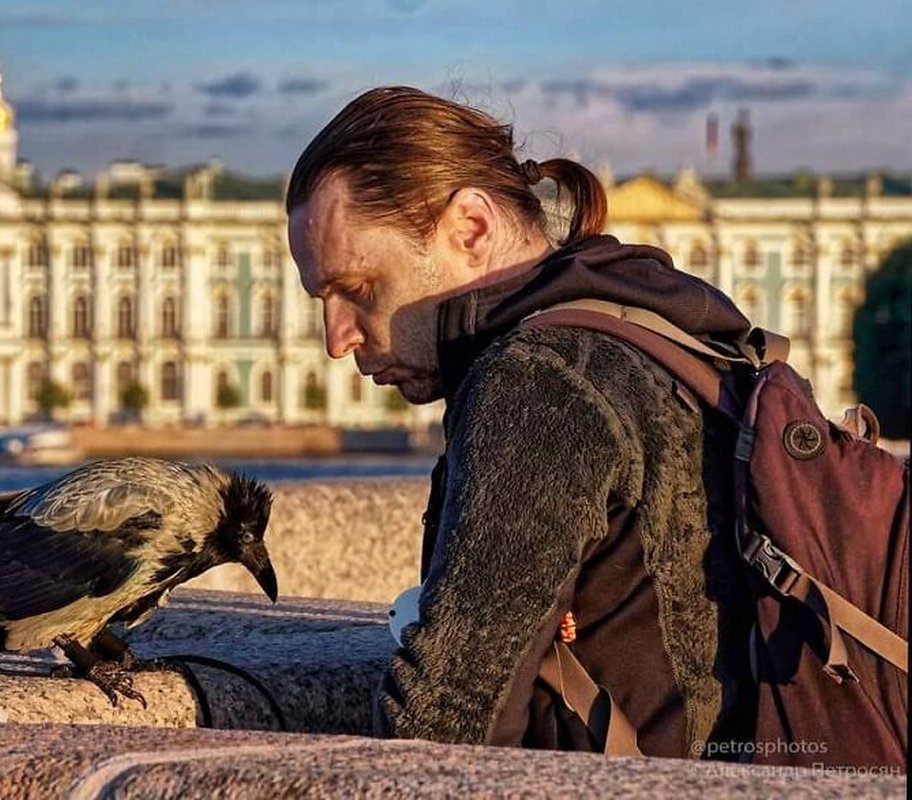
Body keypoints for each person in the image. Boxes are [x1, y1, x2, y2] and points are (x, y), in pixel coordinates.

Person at [285, 86, 758, 757]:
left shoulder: (538, 380)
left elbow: (445, 724)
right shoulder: (660, 318)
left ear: (471, 228)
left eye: (357, 289)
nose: (336, 338)